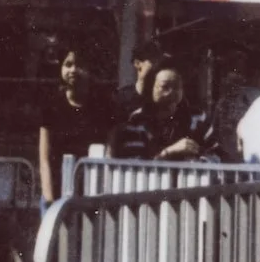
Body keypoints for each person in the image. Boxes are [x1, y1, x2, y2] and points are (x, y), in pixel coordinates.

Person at [37, 48, 118, 202]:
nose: (73, 70)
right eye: (68, 64)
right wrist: (49, 199)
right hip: (56, 189)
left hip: (93, 190)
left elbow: (109, 153)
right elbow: (44, 159)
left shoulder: (105, 107)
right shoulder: (51, 106)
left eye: (80, 65)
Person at [118, 64, 212, 162]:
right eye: (165, 87)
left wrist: (198, 164)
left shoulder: (198, 118)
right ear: (151, 88)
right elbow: (134, 165)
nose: (171, 92)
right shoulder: (137, 120)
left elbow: (216, 155)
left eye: (176, 87)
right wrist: (168, 152)